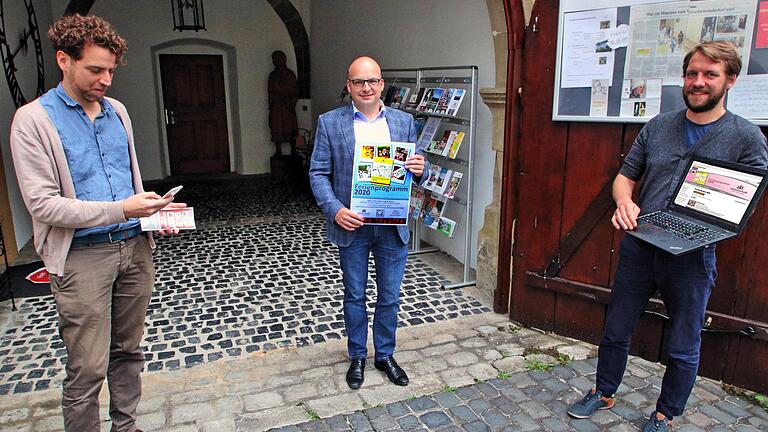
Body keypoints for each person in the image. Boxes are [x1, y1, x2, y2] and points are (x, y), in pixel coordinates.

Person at [567, 41, 768, 432]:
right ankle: (603, 391)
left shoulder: (747, 138)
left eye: (710, 74)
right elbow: (625, 177)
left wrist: (714, 222)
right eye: (692, 73)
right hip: (641, 245)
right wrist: (624, 202)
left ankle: (665, 414)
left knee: (683, 343)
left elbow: (748, 198)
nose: (698, 82)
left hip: (693, 255)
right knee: (616, 328)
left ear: (730, 80)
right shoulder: (659, 126)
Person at [9, 14, 185, 432]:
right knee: (87, 366)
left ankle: (126, 427)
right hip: (81, 258)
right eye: (95, 69)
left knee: (128, 351)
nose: (105, 79)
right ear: (63, 60)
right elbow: (43, 205)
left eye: (110, 70)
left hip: (134, 248)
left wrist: (152, 214)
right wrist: (123, 209)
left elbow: (128, 183)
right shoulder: (33, 121)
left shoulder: (117, 111)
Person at [309, 56, 428, 389]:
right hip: (353, 225)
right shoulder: (329, 123)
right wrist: (334, 209)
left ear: (381, 85)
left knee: (390, 296)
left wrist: (421, 168)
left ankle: (385, 355)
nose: (366, 88)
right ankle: (358, 355)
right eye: (358, 82)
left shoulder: (404, 121)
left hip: (391, 226)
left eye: (372, 81)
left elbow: (417, 166)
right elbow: (318, 173)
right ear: (348, 86)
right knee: (355, 295)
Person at [268, 50, 299, 156]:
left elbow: (295, 90)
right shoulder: (272, 75)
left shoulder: (290, 74)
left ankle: (293, 149)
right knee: (277, 128)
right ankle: (278, 150)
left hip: (288, 106)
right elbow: (270, 92)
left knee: (290, 127)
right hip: (277, 107)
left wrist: (291, 102)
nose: (275, 61)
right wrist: (271, 104)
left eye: (278, 59)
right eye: (274, 59)